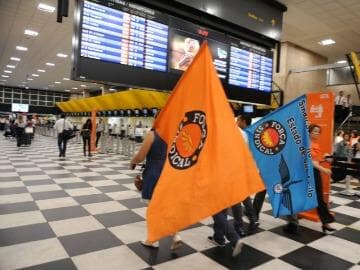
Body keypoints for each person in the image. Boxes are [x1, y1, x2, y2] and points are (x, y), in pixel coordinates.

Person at [130, 127, 182, 250]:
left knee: (153, 208)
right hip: (168, 174)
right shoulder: (174, 134)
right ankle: (175, 235)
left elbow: (140, 156)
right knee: (164, 206)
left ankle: (153, 240)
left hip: (154, 174)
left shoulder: (152, 134)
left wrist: (132, 161)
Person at [284, 124, 336, 234]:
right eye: (314, 131)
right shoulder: (305, 144)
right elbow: (310, 162)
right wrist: (324, 169)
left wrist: (325, 158)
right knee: (297, 197)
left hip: (315, 174)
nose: (317, 133)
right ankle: (292, 222)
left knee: (319, 199)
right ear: (309, 132)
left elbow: (316, 159)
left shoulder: (316, 144)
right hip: (305, 173)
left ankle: (325, 222)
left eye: (318, 132)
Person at [231, 114, 259, 235]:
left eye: (238, 120)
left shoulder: (235, 132)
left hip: (233, 169)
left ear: (242, 120)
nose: (236, 121)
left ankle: (239, 226)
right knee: (245, 196)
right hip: (244, 168)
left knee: (236, 198)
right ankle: (253, 219)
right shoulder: (246, 134)